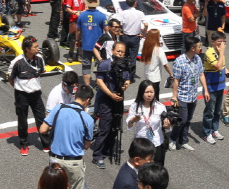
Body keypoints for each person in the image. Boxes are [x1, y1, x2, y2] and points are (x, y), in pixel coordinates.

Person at [38, 84, 94, 189]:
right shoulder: (87, 119)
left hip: (55, 160)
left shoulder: (59, 108)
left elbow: (43, 129)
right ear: (87, 100)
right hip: (74, 163)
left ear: (75, 96)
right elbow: (86, 146)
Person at [8, 37, 50, 156]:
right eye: (35, 47)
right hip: (22, 95)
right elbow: (11, 79)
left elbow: (41, 72)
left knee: (41, 119)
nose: (38, 49)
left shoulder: (40, 59)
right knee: (22, 120)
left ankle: (46, 143)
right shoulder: (17, 62)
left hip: (36, 94)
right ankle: (24, 144)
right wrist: (20, 88)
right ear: (27, 49)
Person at [91, 41, 130, 169]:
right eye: (118, 51)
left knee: (116, 125)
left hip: (118, 99)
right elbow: (99, 81)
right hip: (106, 100)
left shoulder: (125, 65)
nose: (120, 54)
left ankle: (108, 148)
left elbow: (128, 78)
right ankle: (97, 155)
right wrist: (110, 94)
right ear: (112, 51)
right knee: (105, 127)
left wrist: (126, 84)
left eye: (122, 52)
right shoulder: (105, 64)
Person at [169, 37, 209, 151]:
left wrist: (205, 90)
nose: (200, 48)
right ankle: (173, 138)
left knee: (188, 119)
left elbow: (201, 74)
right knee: (182, 120)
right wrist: (174, 96)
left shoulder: (198, 59)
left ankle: (183, 141)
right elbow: (176, 80)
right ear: (192, 48)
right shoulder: (179, 61)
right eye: (199, 47)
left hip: (193, 96)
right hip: (182, 96)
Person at [126, 81, 170, 165]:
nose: (149, 95)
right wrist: (132, 120)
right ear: (141, 92)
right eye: (146, 92)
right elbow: (129, 124)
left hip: (156, 143)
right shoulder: (135, 106)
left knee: (156, 170)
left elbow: (166, 128)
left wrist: (167, 126)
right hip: (141, 144)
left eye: (151, 92)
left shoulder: (160, 107)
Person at [202, 31, 228, 144]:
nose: (222, 44)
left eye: (223, 41)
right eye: (219, 42)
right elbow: (217, 66)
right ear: (213, 42)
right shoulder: (210, 52)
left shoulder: (219, 52)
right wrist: (221, 53)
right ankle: (207, 133)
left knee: (217, 111)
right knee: (210, 111)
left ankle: (214, 129)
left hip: (220, 85)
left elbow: (222, 65)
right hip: (211, 87)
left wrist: (226, 69)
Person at [75, 0, 107, 86]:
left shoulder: (82, 15)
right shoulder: (102, 15)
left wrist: (77, 40)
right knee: (99, 66)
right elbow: (107, 30)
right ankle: (99, 84)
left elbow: (78, 30)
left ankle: (87, 86)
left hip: (86, 45)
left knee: (86, 66)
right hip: (98, 46)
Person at [118, 0, 148, 80]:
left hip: (125, 36)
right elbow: (146, 24)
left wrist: (119, 32)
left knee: (124, 55)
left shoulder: (123, 13)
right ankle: (130, 76)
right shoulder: (140, 13)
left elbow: (117, 22)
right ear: (135, 3)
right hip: (135, 37)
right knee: (133, 57)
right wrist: (143, 34)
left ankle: (123, 74)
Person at [139, 30, 171, 99]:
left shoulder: (146, 47)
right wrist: (171, 74)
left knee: (148, 96)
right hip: (155, 77)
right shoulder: (159, 50)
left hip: (147, 75)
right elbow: (165, 65)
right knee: (155, 97)